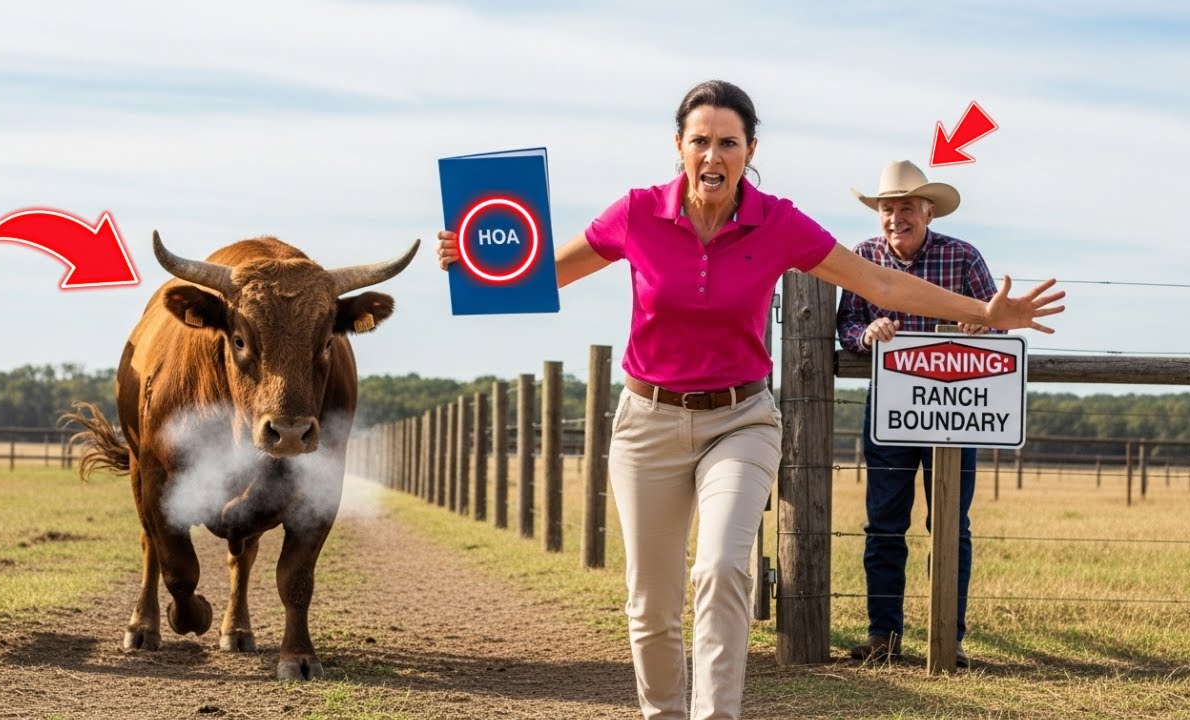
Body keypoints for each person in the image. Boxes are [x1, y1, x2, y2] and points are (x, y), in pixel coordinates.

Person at [437, 81, 1064, 720]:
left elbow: (879, 282)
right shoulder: (636, 214)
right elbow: (547, 269)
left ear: (750, 149)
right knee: (651, 601)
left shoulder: (778, 221)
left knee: (721, 570)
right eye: (700, 141)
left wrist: (983, 310)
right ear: (678, 147)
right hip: (646, 423)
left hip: (741, 421)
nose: (714, 155)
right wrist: (471, 256)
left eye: (728, 143)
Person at [836, 160, 997, 669]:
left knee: (952, 523)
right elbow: (847, 328)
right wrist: (868, 334)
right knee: (884, 522)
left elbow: (993, 318)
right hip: (890, 410)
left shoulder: (962, 257)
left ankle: (948, 638)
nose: (896, 217)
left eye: (907, 207)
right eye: (888, 207)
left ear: (928, 210)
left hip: (953, 410)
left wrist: (980, 330)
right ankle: (884, 636)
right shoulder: (862, 257)